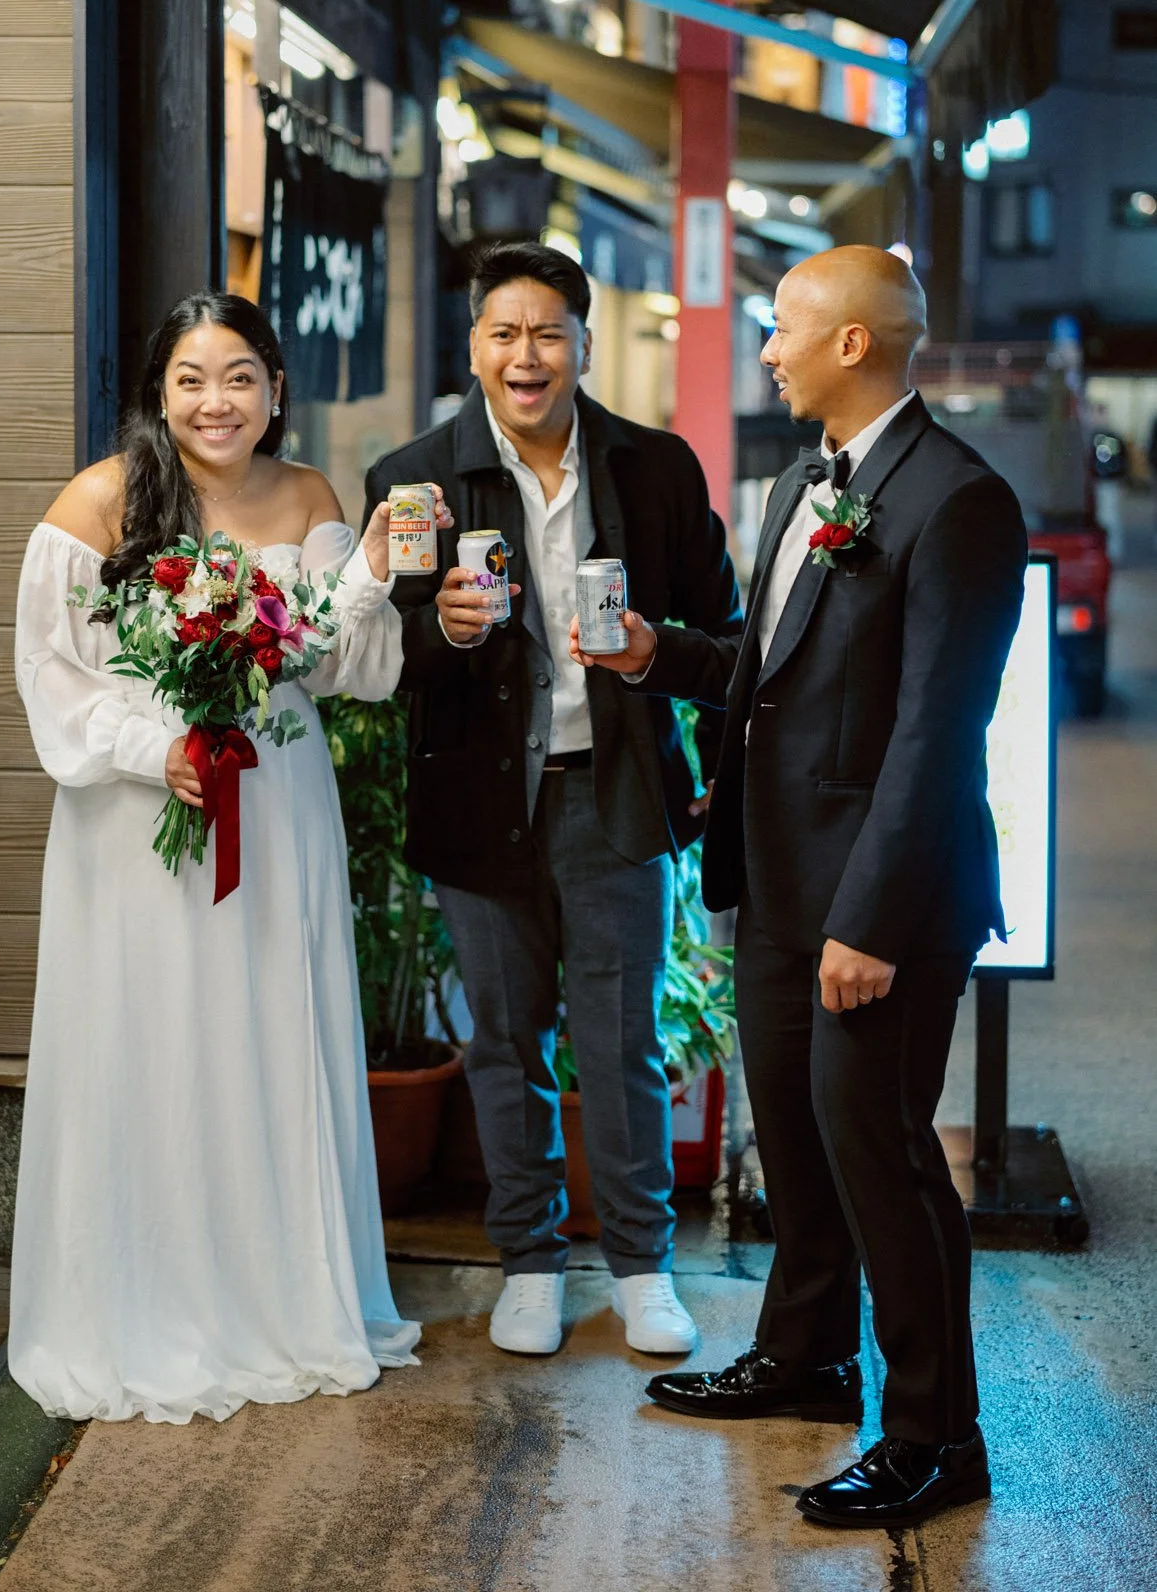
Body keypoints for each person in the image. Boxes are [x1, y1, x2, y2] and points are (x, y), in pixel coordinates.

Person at [582, 246, 1027, 1530]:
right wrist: (653, 652)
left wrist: (870, 924)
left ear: (850, 345)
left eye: (781, 329)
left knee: (885, 1154)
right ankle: (808, 1354)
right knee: (800, 1139)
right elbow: (767, 673)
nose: (765, 348)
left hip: (875, 910)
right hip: (773, 882)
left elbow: (938, 735)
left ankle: (939, 1436)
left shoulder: (957, 501)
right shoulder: (798, 484)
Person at [10, 292, 440, 1423]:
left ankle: (278, 1297)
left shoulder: (305, 496)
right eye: (194, 377)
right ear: (159, 388)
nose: (218, 400)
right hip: (136, 820)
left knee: (266, 1029)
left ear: (277, 390)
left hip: (278, 797)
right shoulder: (99, 502)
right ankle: (139, 1302)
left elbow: (349, 663)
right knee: (147, 1036)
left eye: (241, 375)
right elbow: (51, 676)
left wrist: (375, 569)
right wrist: (159, 749)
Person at [365, 242, 742, 1359]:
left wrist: (645, 653)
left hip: (613, 797)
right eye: (501, 333)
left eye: (546, 333)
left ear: (584, 341)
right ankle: (526, 1259)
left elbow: (726, 645)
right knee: (501, 1041)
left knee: (619, 1041)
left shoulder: (657, 470)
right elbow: (377, 661)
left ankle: (640, 1264)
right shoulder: (417, 476)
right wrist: (444, 631)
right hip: (479, 808)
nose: (524, 356)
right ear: (473, 346)